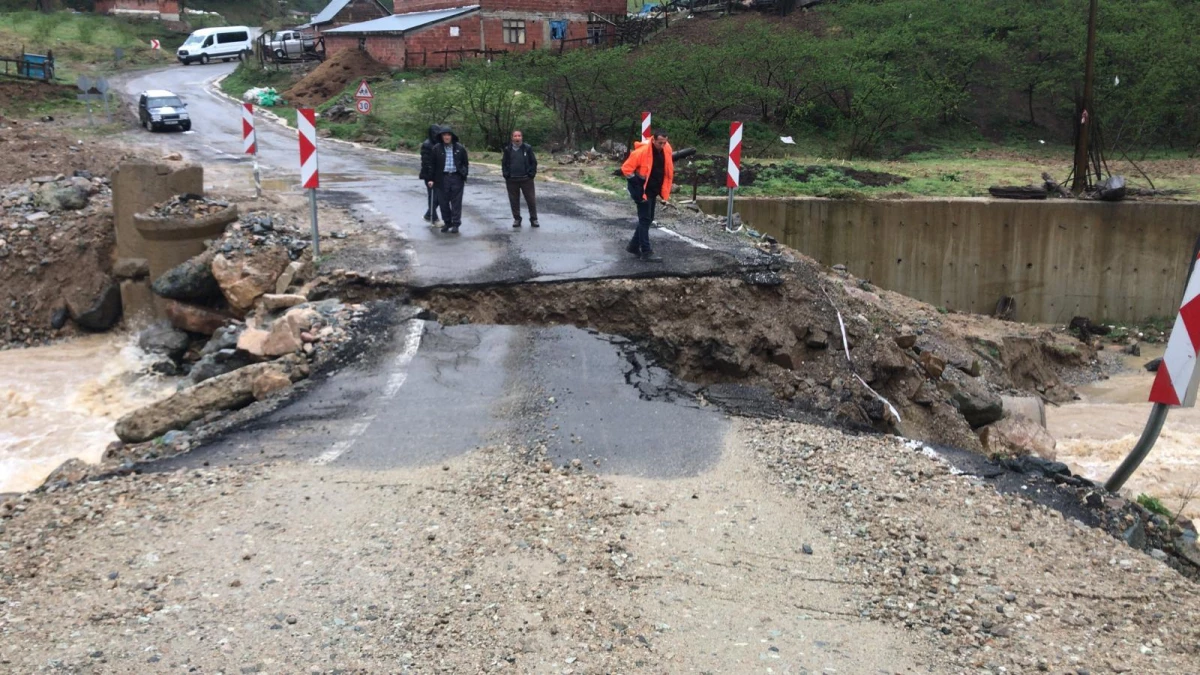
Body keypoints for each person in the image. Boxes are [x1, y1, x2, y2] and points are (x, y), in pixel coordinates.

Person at [621, 130, 673, 262]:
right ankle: (646, 252)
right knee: (645, 220)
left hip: (653, 190)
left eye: (664, 142)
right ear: (653, 140)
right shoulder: (641, 152)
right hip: (641, 190)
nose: (662, 145)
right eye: (660, 143)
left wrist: (662, 191)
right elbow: (626, 168)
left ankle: (633, 246)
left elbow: (666, 170)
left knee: (649, 219)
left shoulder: (666, 149)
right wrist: (636, 184)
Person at [428, 127, 469, 233]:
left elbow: (465, 163)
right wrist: (431, 179)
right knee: (443, 202)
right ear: (441, 137)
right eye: (444, 135)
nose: (446, 137)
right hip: (442, 178)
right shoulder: (437, 148)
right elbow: (432, 165)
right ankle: (447, 222)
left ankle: (456, 223)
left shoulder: (460, 148)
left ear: (452, 136)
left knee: (456, 202)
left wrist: (464, 174)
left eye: (448, 135)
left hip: (456, 177)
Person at [502, 129, 539, 228]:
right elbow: (504, 163)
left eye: (519, 136)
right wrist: (506, 174)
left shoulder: (527, 148)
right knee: (514, 200)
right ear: (512, 138)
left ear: (522, 137)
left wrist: (531, 174)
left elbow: (533, 162)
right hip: (512, 180)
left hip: (526, 179)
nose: (517, 138)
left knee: (531, 200)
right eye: (515, 136)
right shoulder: (507, 149)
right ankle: (517, 219)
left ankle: (534, 219)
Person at [419, 124, 446, 226]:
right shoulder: (427, 145)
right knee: (433, 196)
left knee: (439, 197)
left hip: (439, 175)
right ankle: (434, 219)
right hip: (429, 175)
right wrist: (431, 177)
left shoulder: (439, 144)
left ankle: (428, 215)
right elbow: (426, 162)